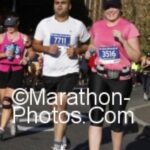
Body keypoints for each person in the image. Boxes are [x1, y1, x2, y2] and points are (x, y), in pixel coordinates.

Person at [32, 0, 90, 149]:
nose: (59, 5)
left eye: (63, 3)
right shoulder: (44, 23)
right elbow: (35, 44)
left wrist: (76, 51)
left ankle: (57, 146)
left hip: (69, 71)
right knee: (55, 110)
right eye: (56, 2)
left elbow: (87, 44)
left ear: (69, 6)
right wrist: (46, 48)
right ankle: (63, 139)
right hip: (49, 73)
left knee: (60, 106)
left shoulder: (78, 25)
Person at [86, 0, 141, 150]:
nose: (111, 10)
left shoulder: (128, 27)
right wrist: (89, 51)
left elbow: (136, 57)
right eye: (107, 7)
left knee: (115, 119)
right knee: (96, 116)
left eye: (114, 7)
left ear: (120, 9)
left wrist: (123, 40)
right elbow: (93, 45)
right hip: (99, 74)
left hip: (120, 79)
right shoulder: (97, 26)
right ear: (103, 10)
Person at [0, 13, 33, 140]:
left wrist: (26, 59)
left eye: (12, 26)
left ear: (17, 24)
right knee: (3, 101)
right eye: (7, 26)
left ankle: (1, 129)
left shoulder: (24, 38)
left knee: (7, 101)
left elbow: (31, 52)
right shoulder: (1, 37)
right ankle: (12, 119)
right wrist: (4, 54)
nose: (9, 28)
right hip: (2, 69)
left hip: (16, 70)